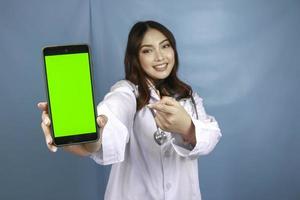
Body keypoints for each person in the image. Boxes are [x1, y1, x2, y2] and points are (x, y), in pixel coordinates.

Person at [38, 20, 222, 200]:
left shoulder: (188, 97)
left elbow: (211, 139)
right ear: (136, 57)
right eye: (147, 50)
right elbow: (105, 129)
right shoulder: (125, 92)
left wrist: (187, 127)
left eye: (165, 46)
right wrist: (94, 133)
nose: (160, 56)